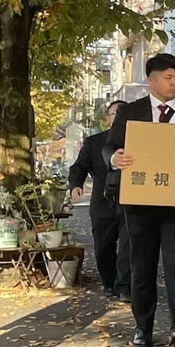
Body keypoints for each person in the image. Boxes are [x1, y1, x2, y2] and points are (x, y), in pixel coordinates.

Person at [104, 53, 175, 347]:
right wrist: (115, 159)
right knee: (142, 267)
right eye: (169, 78)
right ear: (151, 80)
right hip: (140, 206)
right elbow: (110, 147)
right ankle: (144, 326)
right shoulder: (131, 112)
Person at [69, 99, 131, 300]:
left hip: (131, 203)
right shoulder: (94, 142)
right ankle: (109, 282)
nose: (120, 117)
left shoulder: (139, 141)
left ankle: (124, 287)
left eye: (124, 113)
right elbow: (78, 167)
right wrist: (76, 185)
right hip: (102, 204)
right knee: (103, 247)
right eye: (116, 113)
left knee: (128, 247)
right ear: (108, 118)